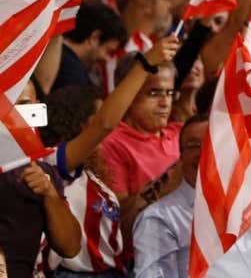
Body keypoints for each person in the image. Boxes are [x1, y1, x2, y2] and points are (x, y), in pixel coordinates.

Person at [39, 34, 178, 277]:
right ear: (82, 124)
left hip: (114, 270)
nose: (112, 117)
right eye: (101, 112)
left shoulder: (89, 174)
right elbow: (104, 124)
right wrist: (146, 64)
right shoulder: (55, 165)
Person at [132, 115, 251, 277]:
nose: (205, 153)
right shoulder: (159, 217)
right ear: (181, 156)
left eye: (212, 143)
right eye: (194, 146)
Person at [1, 82, 82, 278]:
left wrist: (50, 195)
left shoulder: (42, 171)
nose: (17, 114)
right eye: (9, 105)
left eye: (26, 105)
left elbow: (70, 247)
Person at [96, 53, 182, 234]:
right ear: (128, 93)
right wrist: (171, 181)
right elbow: (118, 220)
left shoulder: (182, 133)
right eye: (154, 93)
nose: (165, 102)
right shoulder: (111, 144)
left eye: (169, 93)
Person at [38, 1, 127, 95]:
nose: (106, 58)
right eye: (108, 51)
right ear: (94, 38)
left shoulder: (50, 51)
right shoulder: (74, 74)